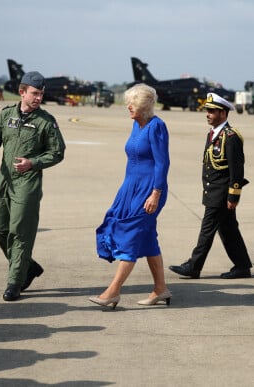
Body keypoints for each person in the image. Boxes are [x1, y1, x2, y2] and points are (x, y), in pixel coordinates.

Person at [0, 71, 66, 302]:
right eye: (34, 93)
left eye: (41, 94)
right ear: (22, 92)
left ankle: (14, 282)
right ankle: (28, 266)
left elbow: (57, 153)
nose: (38, 98)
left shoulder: (45, 122)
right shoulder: (6, 115)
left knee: (20, 233)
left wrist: (33, 163)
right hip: (4, 181)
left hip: (27, 183)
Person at [90, 83, 171, 309]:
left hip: (149, 190)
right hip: (130, 188)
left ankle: (113, 292)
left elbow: (162, 163)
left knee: (131, 236)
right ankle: (161, 289)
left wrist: (156, 193)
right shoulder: (137, 125)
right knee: (146, 239)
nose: (128, 107)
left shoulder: (156, 126)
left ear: (145, 106)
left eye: (133, 103)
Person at [169, 93, 252, 280]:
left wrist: (233, 196)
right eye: (207, 110)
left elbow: (236, 170)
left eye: (212, 111)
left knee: (207, 229)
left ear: (223, 113)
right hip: (213, 191)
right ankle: (242, 265)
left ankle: (194, 266)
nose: (208, 114)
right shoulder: (214, 133)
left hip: (221, 194)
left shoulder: (230, 137)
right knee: (228, 229)